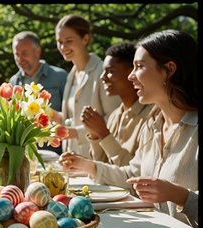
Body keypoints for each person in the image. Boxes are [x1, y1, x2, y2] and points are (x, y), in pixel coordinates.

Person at [60, 30, 198, 228]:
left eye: (140, 66)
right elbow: (132, 177)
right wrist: (89, 166)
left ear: (169, 69)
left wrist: (180, 196)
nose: (131, 76)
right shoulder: (153, 125)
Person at [52, 14, 121, 158]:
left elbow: (115, 119)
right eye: (59, 42)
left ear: (85, 39)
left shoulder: (101, 72)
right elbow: (74, 116)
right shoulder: (72, 74)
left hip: (98, 158)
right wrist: (55, 116)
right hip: (72, 159)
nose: (63, 47)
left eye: (69, 41)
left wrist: (75, 133)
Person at [80, 42, 153, 166]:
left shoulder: (151, 117)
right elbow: (102, 167)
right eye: (103, 72)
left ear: (132, 73)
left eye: (110, 71)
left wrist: (103, 133)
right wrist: (95, 134)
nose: (103, 77)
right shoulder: (115, 115)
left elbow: (135, 173)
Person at [9, 31, 68, 155]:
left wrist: (57, 117)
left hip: (58, 153)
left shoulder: (60, 76)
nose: (20, 59)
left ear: (37, 51)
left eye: (24, 53)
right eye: (16, 54)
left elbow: (71, 116)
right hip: (25, 154)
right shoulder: (14, 82)